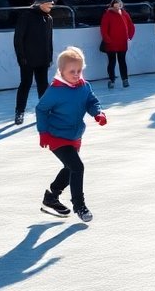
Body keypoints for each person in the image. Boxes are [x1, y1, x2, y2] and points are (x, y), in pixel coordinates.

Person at [35, 46, 106, 222]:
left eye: (79, 70)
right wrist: (43, 132)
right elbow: (41, 109)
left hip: (74, 136)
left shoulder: (84, 87)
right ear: (61, 71)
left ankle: (51, 196)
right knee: (77, 167)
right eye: (72, 71)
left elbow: (91, 101)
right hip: (56, 136)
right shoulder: (55, 90)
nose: (76, 74)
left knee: (70, 168)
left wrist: (98, 113)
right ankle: (79, 206)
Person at [14, 0, 55, 124]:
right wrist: (21, 56)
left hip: (43, 58)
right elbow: (18, 38)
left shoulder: (48, 18)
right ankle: (19, 112)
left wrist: (49, 56)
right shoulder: (26, 16)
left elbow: (49, 40)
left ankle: (44, 110)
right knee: (25, 84)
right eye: (48, 4)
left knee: (43, 84)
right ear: (40, 4)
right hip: (28, 59)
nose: (50, 6)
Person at [100, 0, 135, 89]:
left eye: (119, 2)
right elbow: (104, 29)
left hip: (122, 43)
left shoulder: (124, 13)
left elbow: (131, 26)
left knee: (122, 61)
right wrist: (108, 40)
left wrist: (129, 38)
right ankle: (111, 80)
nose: (117, 4)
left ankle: (125, 79)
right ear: (112, 4)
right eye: (115, 2)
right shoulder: (108, 14)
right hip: (111, 44)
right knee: (112, 62)